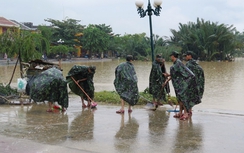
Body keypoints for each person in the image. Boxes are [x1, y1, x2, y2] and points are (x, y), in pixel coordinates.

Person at [164, 51, 200, 120]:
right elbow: (175, 74)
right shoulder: (176, 63)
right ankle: (180, 112)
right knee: (179, 99)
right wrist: (167, 79)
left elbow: (187, 74)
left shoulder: (178, 63)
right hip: (177, 84)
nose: (170, 57)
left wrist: (186, 83)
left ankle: (186, 113)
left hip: (182, 84)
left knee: (183, 99)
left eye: (171, 56)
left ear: (173, 56)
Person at [184, 51, 205, 115]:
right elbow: (201, 77)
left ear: (190, 56)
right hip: (196, 85)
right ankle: (190, 111)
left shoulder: (188, 64)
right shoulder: (197, 65)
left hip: (189, 84)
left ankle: (187, 113)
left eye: (186, 56)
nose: (185, 57)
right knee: (192, 98)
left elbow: (185, 74)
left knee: (187, 98)